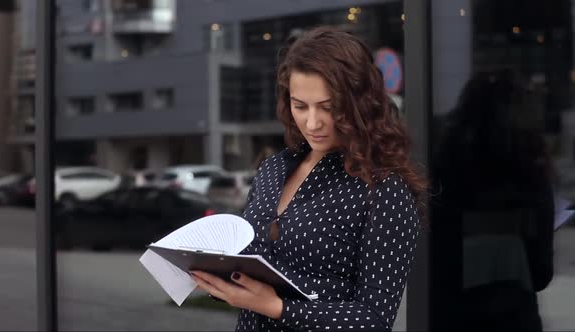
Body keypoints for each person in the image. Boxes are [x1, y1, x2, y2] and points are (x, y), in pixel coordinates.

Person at [190, 26, 427, 332]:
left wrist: (276, 307)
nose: (312, 122)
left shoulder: (384, 189)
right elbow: (257, 268)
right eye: (299, 106)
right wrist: (220, 281)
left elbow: (374, 320)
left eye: (328, 108)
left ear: (359, 103)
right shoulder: (273, 170)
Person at [431, 69, 554, 331]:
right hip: (514, 320)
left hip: (450, 317)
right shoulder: (530, 178)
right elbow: (541, 273)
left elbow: (433, 262)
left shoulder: (443, 170)